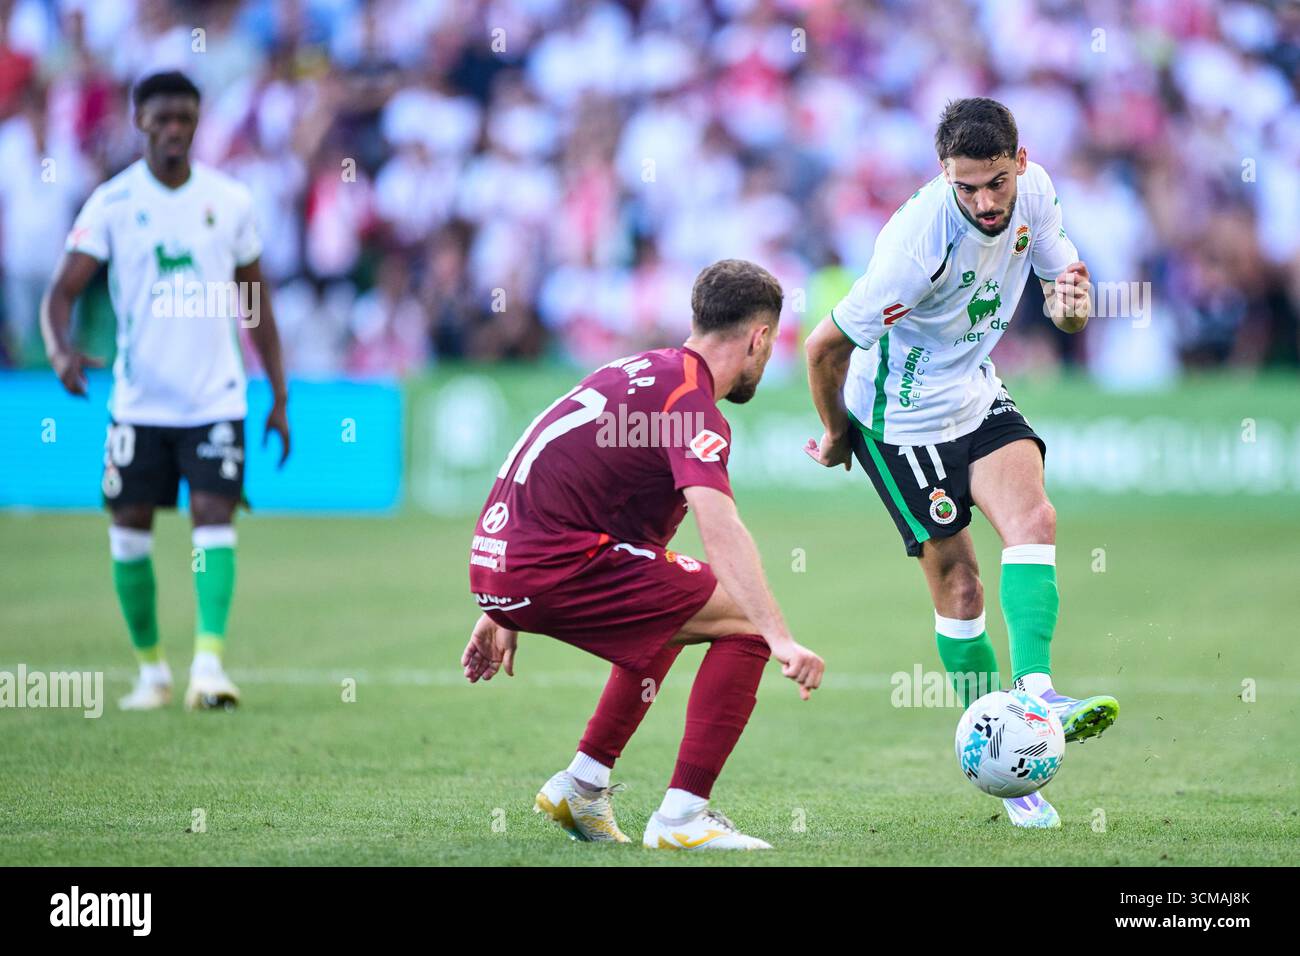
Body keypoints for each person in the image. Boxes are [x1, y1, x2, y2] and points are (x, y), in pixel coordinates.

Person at [804, 97, 1118, 829]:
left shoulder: (1034, 197)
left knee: (1034, 517)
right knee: (962, 586)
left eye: (996, 182)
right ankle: (1011, 774)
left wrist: (1074, 305)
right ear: (944, 175)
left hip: (974, 393)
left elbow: (1066, 303)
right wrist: (838, 433)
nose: (984, 201)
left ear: (1022, 162)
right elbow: (824, 346)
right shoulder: (915, 246)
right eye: (966, 186)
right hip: (900, 421)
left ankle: (1037, 694)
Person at [463, 258, 823, 851]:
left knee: (669, 609)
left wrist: (500, 605)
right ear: (760, 338)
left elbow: (564, 475)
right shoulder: (690, 402)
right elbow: (720, 524)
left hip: (500, 556)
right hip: (545, 561)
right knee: (745, 622)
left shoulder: (636, 368)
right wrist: (778, 635)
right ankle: (684, 816)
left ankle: (583, 783)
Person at [41, 71, 290, 711]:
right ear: (139, 121)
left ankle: (208, 665)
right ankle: (151, 672)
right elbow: (62, 292)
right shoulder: (113, 203)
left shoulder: (229, 200)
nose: (174, 129)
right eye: (162, 118)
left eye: (185, 117)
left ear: (198, 122)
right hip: (140, 401)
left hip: (215, 400)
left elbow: (256, 303)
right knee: (129, 529)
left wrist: (280, 396)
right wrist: (59, 348)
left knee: (213, 520)